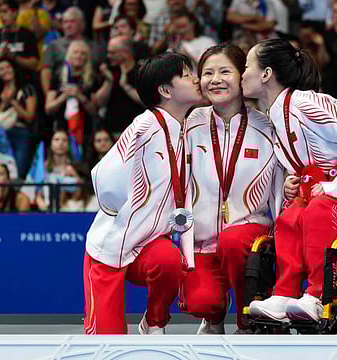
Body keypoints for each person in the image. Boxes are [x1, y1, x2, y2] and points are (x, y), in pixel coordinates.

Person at [241, 38, 337, 322]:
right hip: (318, 195)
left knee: (316, 212)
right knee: (289, 217)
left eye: (247, 65)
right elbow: (304, 166)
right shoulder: (274, 115)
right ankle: (284, 294)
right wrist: (292, 183)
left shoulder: (309, 102)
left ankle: (317, 295)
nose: (242, 72)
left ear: (266, 74)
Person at [83, 52, 204, 335]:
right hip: (110, 249)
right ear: (165, 90)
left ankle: (154, 321)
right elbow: (103, 174)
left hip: (149, 245)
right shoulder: (145, 125)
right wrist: (121, 214)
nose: (196, 79)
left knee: (170, 261)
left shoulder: (185, 127)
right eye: (187, 75)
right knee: (107, 343)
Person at [178, 43, 284, 334]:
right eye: (208, 73)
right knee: (201, 301)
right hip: (203, 242)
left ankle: (246, 321)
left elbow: (277, 188)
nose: (216, 79)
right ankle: (212, 316)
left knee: (234, 241)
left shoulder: (267, 128)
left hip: (248, 236)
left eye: (225, 71)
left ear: (242, 76)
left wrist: (281, 235)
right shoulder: (190, 124)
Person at [0, 57, 38, 179]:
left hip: (20, 133)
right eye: (1, 69)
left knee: (18, 173)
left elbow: (29, 116)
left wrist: (13, 102)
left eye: (8, 67)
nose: (5, 71)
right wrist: (4, 103)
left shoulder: (27, 89)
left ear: (14, 68)